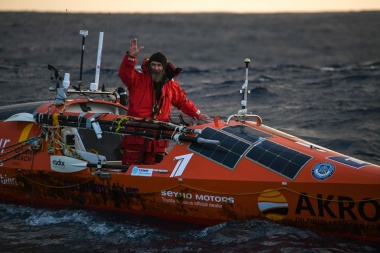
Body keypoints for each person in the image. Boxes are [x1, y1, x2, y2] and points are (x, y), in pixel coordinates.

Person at [118, 38, 212, 165]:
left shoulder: (171, 85)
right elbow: (124, 73)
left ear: (163, 67)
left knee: (155, 168)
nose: (156, 68)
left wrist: (198, 114)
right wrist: (131, 57)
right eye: (153, 65)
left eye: (159, 65)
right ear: (149, 65)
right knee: (130, 165)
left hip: (158, 137)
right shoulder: (137, 79)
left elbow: (183, 102)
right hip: (136, 134)